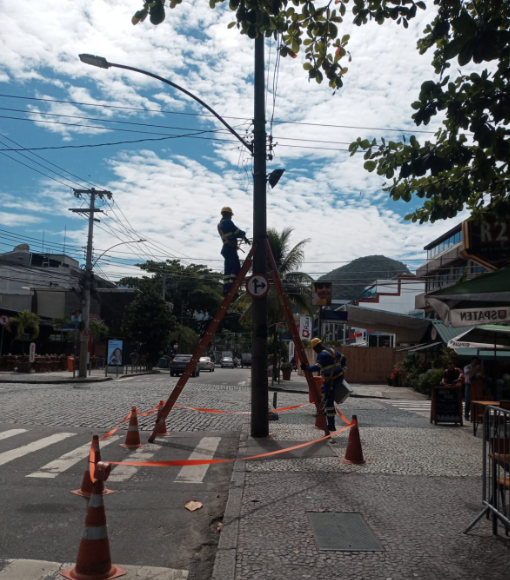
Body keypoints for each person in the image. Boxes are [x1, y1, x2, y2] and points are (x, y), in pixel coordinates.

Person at [300, 338, 347, 436]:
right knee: (325, 393)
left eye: (314, 349)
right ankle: (328, 413)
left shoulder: (322, 355)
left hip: (332, 380)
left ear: (317, 346)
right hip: (339, 378)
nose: (314, 351)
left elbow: (316, 367)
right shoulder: (331, 350)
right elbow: (344, 358)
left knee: (328, 402)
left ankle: (331, 425)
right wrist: (342, 368)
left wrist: (306, 368)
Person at [218, 206, 250, 295]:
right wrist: (244, 235)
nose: (231, 216)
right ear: (227, 214)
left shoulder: (219, 225)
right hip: (231, 248)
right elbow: (237, 232)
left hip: (225, 249)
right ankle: (230, 287)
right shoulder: (228, 222)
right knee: (236, 268)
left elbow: (231, 233)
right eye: (230, 215)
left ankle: (225, 289)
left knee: (228, 270)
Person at [463, 356, 483, 421]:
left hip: (477, 385)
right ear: (472, 361)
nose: (475, 364)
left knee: (477, 399)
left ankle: (476, 415)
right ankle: (466, 415)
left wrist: (480, 375)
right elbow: (467, 372)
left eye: (476, 362)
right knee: (468, 400)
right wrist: (475, 369)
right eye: (474, 362)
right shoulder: (467, 367)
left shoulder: (479, 368)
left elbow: (482, 375)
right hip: (469, 385)